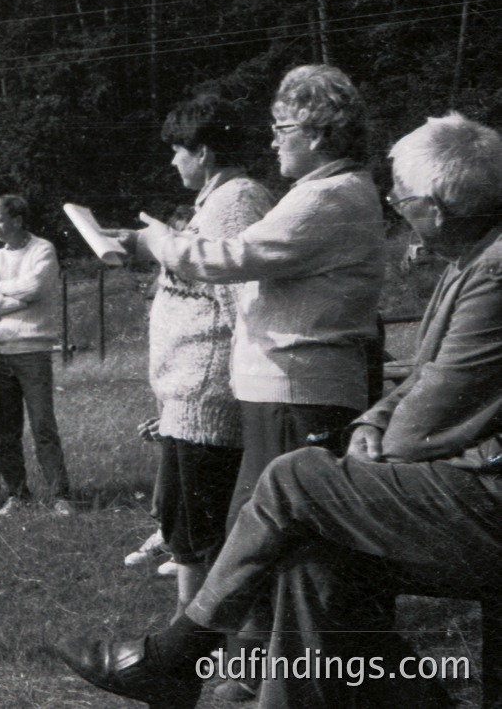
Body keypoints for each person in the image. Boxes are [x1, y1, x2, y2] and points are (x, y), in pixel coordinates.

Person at [56, 111, 502, 709]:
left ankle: (180, 653)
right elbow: (421, 379)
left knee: (298, 478)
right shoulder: (469, 262)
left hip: (485, 499)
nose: (393, 206)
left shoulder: (493, 273)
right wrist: (371, 422)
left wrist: (374, 453)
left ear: (438, 210)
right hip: (466, 486)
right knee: (309, 551)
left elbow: (434, 411)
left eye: (403, 198)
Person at [119, 66, 383, 699]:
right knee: (265, 547)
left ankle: (222, 678)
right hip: (283, 390)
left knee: (277, 552)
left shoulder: (329, 196)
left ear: (319, 134)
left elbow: (231, 256)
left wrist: (160, 240)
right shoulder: (324, 191)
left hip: (300, 392)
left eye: (283, 128)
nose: (273, 142)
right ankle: (230, 681)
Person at [144, 93, 274, 612]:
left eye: (179, 149)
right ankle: (192, 639)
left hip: (211, 396)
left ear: (204, 152)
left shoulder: (237, 202)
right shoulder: (212, 203)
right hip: (186, 396)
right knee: (184, 523)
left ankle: (210, 644)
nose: (173, 160)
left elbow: (245, 300)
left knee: (205, 528)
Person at [0, 195, 72, 516]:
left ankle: (61, 495)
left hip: (34, 352)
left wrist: (3, 289)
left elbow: (35, 286)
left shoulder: (43, 250)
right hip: (0, 354)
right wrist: (18, 298)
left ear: (17, 220)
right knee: (6, 430)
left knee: (43, 426)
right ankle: (17, 494)